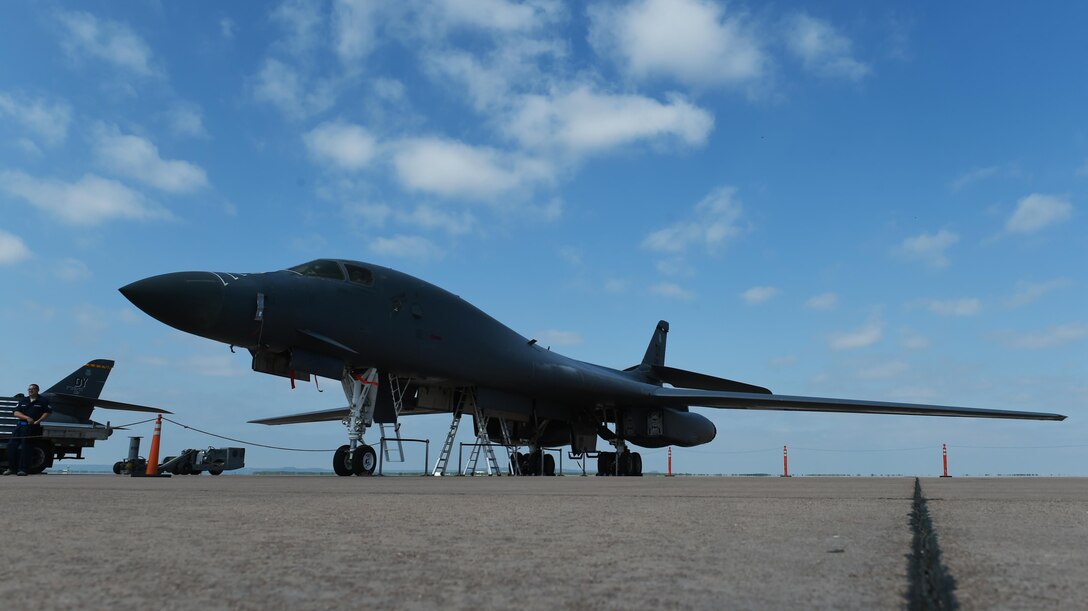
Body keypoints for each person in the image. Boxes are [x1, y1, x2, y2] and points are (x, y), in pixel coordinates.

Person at [4, 383, 51, 476]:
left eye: (32, 389)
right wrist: (26, 418)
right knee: (11, 446)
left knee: (26, 448)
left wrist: (39, 420)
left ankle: (23, 469)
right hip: (20, 426)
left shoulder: (43, 401)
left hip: (32, 428)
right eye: (29, 389)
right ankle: (11, 468)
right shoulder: (23, 400)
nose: (30, 391)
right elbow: (16, 413)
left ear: (37, 390)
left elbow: (47, 412)